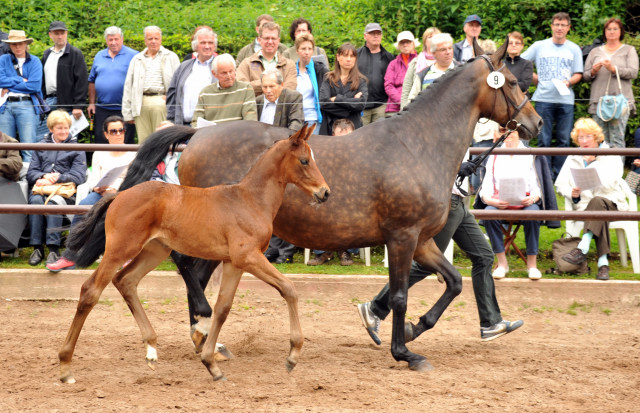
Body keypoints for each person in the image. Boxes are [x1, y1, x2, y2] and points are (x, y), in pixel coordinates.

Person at [357, 160, 524, 343]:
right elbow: (427, 157)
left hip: (458, 204)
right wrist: (455, 167)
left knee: (483, 256)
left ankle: (491, 323)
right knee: (425, 264)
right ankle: (375, 308)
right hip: (444, 201)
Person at [46, 115, 136, 272]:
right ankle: (69, 256)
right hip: (102, 194)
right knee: (81, 208)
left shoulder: (132, 154)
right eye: (113, 131)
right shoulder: (99, 153)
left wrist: (117, 190)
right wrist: (97, 188)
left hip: (124, 194)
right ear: (106, 134)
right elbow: (94, 178)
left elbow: (135, 181)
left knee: (121, 213)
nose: (118, 134)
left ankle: (126, 257)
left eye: (120, 130)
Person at [556, 118, 627, 281]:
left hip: (611, 203)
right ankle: (603, 264)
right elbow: (560, 184)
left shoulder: (611, 153)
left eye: (588, 136)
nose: (584, 141)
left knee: (597, 202)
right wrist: (572, 193)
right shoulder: (574, 156)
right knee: (597, 214)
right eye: (580, 137)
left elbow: (612, 184)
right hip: (586, 207)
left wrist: (593, 163)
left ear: (596, 137)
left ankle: (582, 248)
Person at [521, 12, 583, 180]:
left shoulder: (574, 48)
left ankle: (560, 176)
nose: (559, 28)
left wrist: (569, 82)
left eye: (563, 25)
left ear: (568, 28)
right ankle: (545, 176)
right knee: (544, 140)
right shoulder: (539, 46)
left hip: (566, 101)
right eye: (557, 24)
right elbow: (522, 63)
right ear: (551, 26)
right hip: (543, 99)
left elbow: (579, 74)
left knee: (564, 140)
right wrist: (536, 78)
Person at [478, 128, 543, 280]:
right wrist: (491, 201)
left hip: (525, 201)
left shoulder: (529, 154)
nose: (507, 135)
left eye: (511, 131)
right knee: (489, 213)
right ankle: (502, 263)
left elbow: (537, 188)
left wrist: (532, 198)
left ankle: (532, 265)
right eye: (503, 131)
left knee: (533, 214)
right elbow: (485, 189)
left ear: (519, 133)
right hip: (499, 201)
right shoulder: (494, 155)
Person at [26, 110, 86, 266]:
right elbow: (31, 173)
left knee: (54, 203)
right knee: (36, 203)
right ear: (51, 129)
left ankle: (53, 249)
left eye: (66, 128)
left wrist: (59, 177)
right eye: (60, 128)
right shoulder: (40, 146)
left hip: (64, 192)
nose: (64, 131)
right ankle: (37, 248)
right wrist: (44, 176)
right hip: (42, 189)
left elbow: (79, 176)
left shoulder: (76, 147)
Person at [306, 118, 360, 266]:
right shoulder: (324, 152)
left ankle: (345, 252)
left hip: (350, 198)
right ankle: (322, 252)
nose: (342, 142)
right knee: (317, 208)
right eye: (339, 138)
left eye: (347, 137)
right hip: (329, 196)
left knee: (353, 209)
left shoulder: (359, 153)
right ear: (333, 136)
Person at [583, 18, 639, 149]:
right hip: (599, 102)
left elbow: (633, 73)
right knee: (598, 140)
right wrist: (593, 71)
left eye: (615, 29)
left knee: (617, 140)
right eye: (609, 29)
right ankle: (599, 169)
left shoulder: (629, 50)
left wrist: (613, 69)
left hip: (620, 102)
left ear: (621, 32)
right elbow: (585, 76)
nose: (612, 32)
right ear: (604, 32)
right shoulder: (594, 52)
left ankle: (616, 169)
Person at [122, 26, 180, 143]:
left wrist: (170, 99)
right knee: (144, 143)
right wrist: (127, 113)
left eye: (156, 38)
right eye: (150, 38)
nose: (153, 41)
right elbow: (128, 86)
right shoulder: (137, 59)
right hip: (140, 103)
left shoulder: (171, 57)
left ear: (161, 39)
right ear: (145, 40)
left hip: (161, 101)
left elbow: (179, 82)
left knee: (162, 140)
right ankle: (146, 162)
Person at [36, 21, 88, 139]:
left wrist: (78, 105)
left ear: (66, 34)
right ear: (50, 35)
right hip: (48, 102)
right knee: (43, 138)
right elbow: (42, 79)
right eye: (56, 33)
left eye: (62, 33)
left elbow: (82, 81)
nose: (60, 36)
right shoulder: (47, 54)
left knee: (68, 139)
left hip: (68, 105)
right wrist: (42, 99)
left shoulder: (75, 53)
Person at [88, 26, 138, 145]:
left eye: (116, 39)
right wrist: (91, 103)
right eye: (110, 40)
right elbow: (92, 81)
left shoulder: (134, 56)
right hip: (102, 108)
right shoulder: (99, 55)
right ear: (106, 40)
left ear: (122, 39)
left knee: (125, 140)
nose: (113, 42)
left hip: (124, 108)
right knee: (101, 140)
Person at [0, 29, 44, 162]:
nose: (18, 47)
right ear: (9, 46)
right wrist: (20, 80)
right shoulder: (3, 59)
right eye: (14, 44)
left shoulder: (35, 61)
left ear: (26, 44)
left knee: (28, 147)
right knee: (5, 148)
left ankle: (27, 179)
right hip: (5, 106)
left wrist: (9, 85)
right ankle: (7, 179)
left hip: (27, 105)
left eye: (20, 43)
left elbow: (34, 86)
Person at [166, 27, 218, 126]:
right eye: (203, 43)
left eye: (210, 43)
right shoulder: (184, 67)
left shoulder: (220, 66)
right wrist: (171, 120)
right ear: (195, 46)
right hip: (183, 125)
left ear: (214, 46)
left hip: (209, 127)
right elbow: (172, 95)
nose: (207, 46)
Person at [191, 54, 257, 126]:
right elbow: (196, 122)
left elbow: (250, 120)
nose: (229, 76)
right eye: (224, 73)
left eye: (231, 71)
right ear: (214, 73)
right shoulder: (205, 93)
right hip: (212, 136)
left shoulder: (246, 89)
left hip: (238, 135)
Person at [319, 43, 368, 135]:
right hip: (331, 128)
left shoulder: (361, 81)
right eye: (345, 55)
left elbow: (361, 104)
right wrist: (348, 110)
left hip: (354, 129)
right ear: (338, 57)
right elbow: (324, 103)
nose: (348, 59)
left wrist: (337, 99)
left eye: (352, 56)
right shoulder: (328, 78)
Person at [237, 22, 297, 97]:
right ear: (259, 40)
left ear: (278, 40)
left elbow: (289, 90)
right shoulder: (246, 64)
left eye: (273, 38)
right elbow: (241, 88)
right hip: (255, 108)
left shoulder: (289, 65)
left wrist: (257, 85)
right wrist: (271, 83)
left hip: (281, 108)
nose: (270, 41)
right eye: (266, 38)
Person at [357, 23, 394, 125]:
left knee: (379, 138)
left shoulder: (389, 57)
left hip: (381, 105)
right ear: (365, 36)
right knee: (361, 137)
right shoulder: (356, 55)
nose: (376, 36)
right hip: (361, 106)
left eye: (378, 33)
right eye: (372, 33)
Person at [406, 33, 457, 104]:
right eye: (443, 49)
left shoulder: (462, 71)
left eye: (450, 48)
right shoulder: (423, 75)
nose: (448, 52)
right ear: (433, 53)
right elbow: (411, 102)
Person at [294, 33, 327, 132]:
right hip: (295, 118)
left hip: (313, 118)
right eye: (303, 49)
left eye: (309, 49)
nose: (307, 52)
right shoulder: (291, 70)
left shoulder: (320, 70)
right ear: (297, 51)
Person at [401, 27, 441, 110]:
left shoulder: (449, 62)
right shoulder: (415, 62)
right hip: (418, 107)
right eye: (430, 37)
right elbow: (406, 89)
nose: (433, 39)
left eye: (436, 37)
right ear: (425, 41)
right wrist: (404, 110)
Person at [383, 31, 418, 116]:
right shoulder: (393, 64)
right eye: (402, 42)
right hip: (394, 108)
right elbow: (388, 85)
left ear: (413, 44)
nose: (405, 45)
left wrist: (411, 101)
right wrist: (402, 101)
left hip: (417, 105)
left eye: (408, 42)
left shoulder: (420, 61)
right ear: (398, 46)